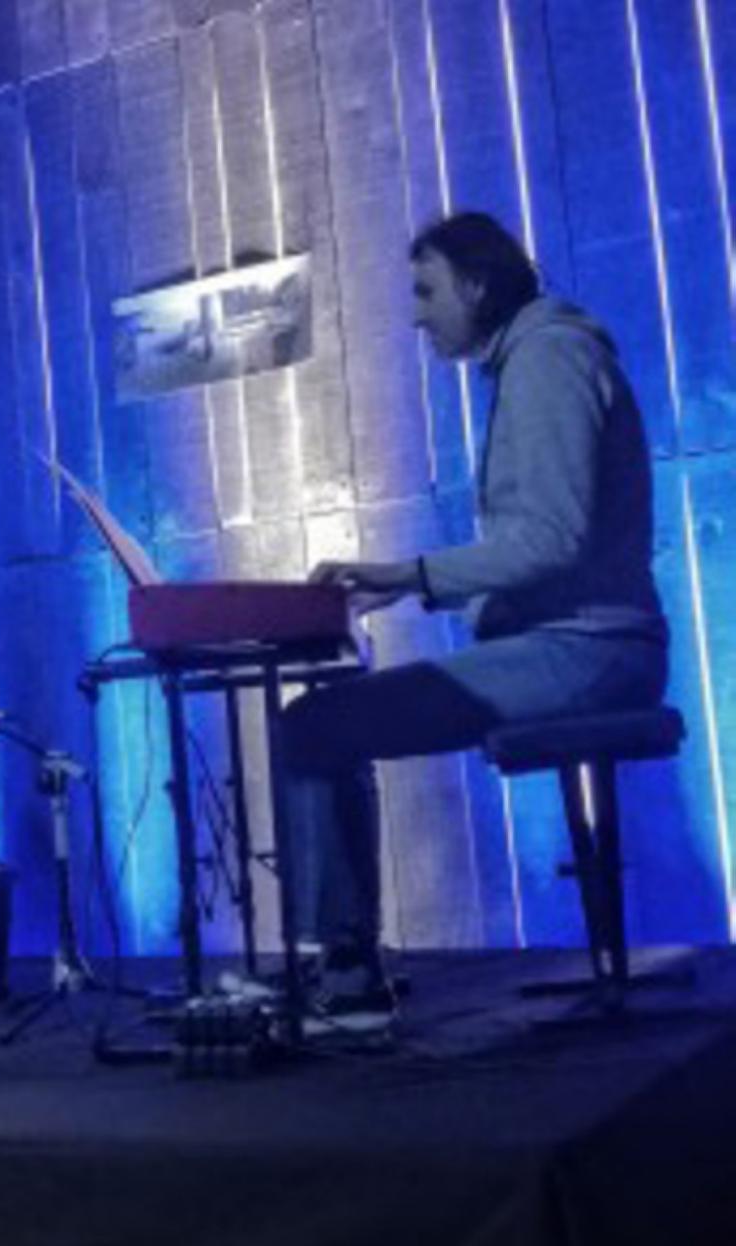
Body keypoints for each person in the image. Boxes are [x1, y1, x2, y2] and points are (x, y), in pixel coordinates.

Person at [279, 211, 668, 1038]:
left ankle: (344, 978)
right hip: (582, 645)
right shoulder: (536, 357)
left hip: (591, 652)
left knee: (315, 727)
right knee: (322, 724)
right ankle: (341, 964)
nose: (417, 315)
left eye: (428, 292)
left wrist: (406, 576)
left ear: (478, 286)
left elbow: (550, 540)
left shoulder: (548, 359)